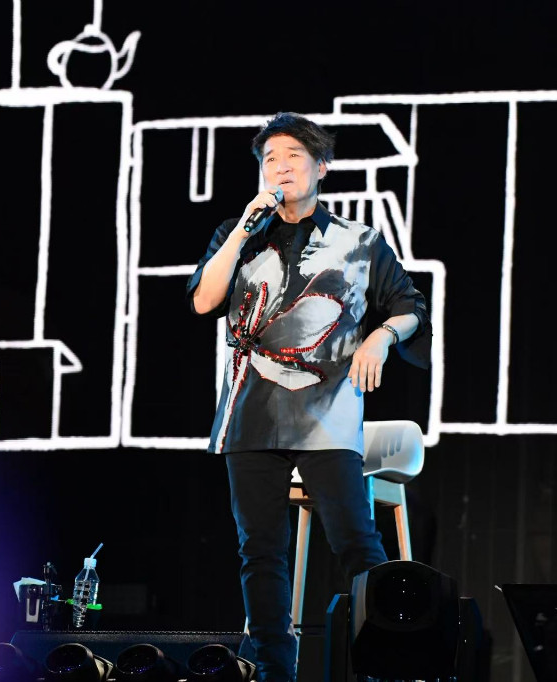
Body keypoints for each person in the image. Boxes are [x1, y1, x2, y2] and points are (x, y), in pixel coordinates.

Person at [185, 112, 431, 682]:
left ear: (322, 167)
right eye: (270, 159)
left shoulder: (359, 241)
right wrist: (243, 230)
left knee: (355, 543)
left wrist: (379, 336)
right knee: (260, 551)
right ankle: (275, 670)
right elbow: (203, 301)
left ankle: (385, 666)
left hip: (328, 412)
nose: (280, 167)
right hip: (250, 411)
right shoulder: (238, 233)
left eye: (293, 155)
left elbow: (411, 307)